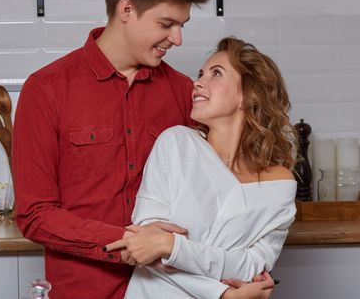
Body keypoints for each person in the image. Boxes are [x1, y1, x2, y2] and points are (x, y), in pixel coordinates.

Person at [12, 0, 208, 298]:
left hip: (172, 289)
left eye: (182, 26)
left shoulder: (183, 92)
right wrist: (127, 244)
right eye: (166, 24)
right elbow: (35, 214)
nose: (177, 39)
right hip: (84, 290)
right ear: (127, 10)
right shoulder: (46, 90)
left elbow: (211, 191)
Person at [106, 37, 298, 298]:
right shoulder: (175, 143)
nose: (197, 83)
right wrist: (222, 294)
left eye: (215, 73)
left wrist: (171, 246)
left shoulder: (280, 184)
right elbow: (145, 249)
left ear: (247, 95)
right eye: (201, 74)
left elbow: (252, 266)